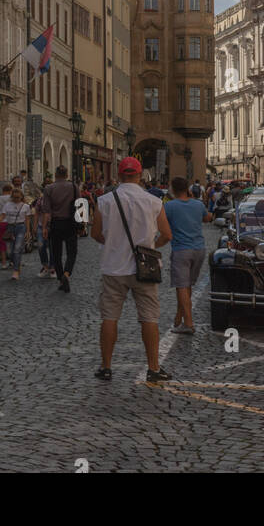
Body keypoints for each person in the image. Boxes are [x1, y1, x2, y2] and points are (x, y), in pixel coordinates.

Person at [91, 156, 173, 383]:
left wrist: (110, 243)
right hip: (145, 268)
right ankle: (154, 368)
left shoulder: (105, 201)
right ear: (139, 176)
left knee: (109, 317)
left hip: (113, 268)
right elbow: (167, 234)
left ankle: (106, 367)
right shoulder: (153, 202)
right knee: (149, 318)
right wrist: (151, 247)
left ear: (119, 175)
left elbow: (95, 233)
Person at [165, 175, 213, 332]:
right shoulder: (198, 205)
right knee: (187, 286)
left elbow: (161, 224)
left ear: (173, 189)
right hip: (199, 250)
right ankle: (180, 317)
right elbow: (207, 218)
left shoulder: (170, 206)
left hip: (181, 250)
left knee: (182, 286)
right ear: (188, 189)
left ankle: (189, 324)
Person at [46, 165, 81, 292]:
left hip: (56, 223)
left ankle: (61, 278)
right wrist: (82, 224)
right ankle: (67, 274)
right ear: (67, 175)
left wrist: (45, 228)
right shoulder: (73, 187)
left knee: (56, 253)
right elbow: (80, 205)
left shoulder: (49, 188)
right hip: (70, 223)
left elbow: (46, 211)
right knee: (72, 251)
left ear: (55, 174)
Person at [1, 186, 32, 282]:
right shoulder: (7, 205)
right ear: (12, 197)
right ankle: (16, 264)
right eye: (14, 197)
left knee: (17, 249)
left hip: (21, 227)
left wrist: (28, 231)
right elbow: (2, 215)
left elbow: (27, 220)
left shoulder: (26, 206)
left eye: (18, 197)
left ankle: (16, 271)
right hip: (10, 228)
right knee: (10, 252)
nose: (16, 199)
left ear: (21, 197)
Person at [33, 181, 54, 277]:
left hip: (53, 226)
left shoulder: (56, 199)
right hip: (41, 226)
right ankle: (45, 266)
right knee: (41, 246)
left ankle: (53, 267)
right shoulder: (40, 200)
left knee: (53, 247)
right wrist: (35, 225)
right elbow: (36, 213)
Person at [0, 183, 13, 268]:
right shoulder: (12, 198)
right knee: (13, 243)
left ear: (3, 191)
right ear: (10, 190)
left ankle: (4, 263)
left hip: (1, 223)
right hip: (11, 222)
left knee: (2, 243)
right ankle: (12, 261)